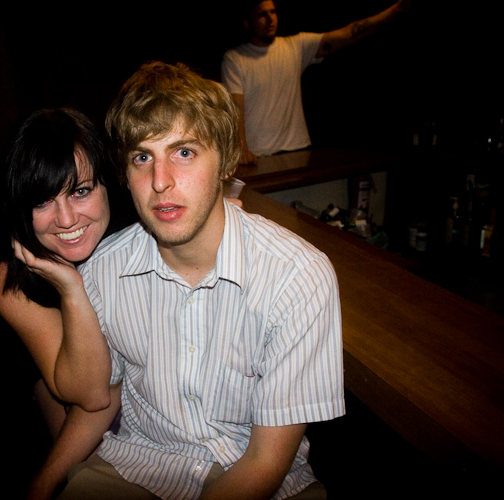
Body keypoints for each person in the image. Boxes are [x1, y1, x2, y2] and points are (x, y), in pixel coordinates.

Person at [51, 61, 344, 500]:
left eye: (184, 152)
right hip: (135, 467)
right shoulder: (103, 271)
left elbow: (266, 461)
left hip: (260, 478)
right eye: (142, 157)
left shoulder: (297, 277)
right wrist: (41, 485)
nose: (160, 182)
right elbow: (101, 398)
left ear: (225, 161)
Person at [0, 107, 134, 439]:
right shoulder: (8, 274)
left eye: (80, 192)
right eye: (42, 201)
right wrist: (72, 290)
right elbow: (92, 396)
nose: (66, 220)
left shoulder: (140, 235)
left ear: (107, 183)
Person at [222, 0, 411, 164]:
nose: (270, 19)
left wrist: (393, 11)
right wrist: (242, 149)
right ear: (247, 23)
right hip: (259, 154)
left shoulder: (295, 46)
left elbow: (351, 33)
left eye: (273, 12)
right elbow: (235, 107)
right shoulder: (236, 58)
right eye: (262, 14)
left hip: (297, 149)